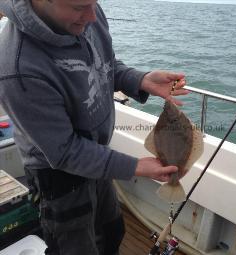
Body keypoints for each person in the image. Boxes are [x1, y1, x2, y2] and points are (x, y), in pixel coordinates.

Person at [0, 0, 188, 254]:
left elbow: (104, 64)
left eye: (94, 2)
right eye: (79, 7)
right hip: (59, 178)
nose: (92, 16)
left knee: (112, 231)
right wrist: (136, 167)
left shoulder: (87, 11)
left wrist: (140, 80)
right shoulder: (18, 66)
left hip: (99, 159)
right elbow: (65, 152)